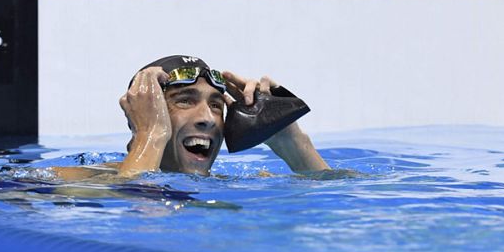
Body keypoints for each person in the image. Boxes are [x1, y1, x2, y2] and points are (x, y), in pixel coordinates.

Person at [53, 55, 329, 179]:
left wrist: (292, 144)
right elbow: (139, 213)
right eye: (185, 101)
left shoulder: (239, 182)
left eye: (216, 104)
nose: (207, 118)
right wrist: (150, 135)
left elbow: (336, 197)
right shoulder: (74, 179)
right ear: (143, 115)